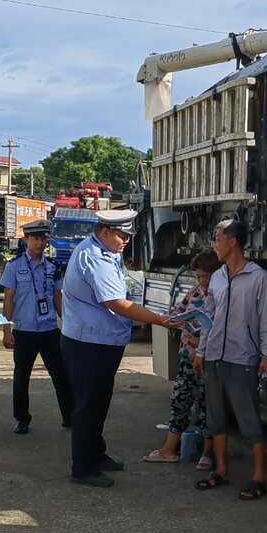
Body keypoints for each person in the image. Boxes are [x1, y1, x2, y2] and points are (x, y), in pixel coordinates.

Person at [61, 209, 180, 488]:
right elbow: (115, 303)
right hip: (88, 344)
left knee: (99, 403)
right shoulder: (95, 257)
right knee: (88, 406)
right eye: (121, 235)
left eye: (128, 235)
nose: (126, 240)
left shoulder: (106, 251)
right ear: (104, 233)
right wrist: (160, 319)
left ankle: (96, 453)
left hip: (101, 341)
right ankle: (83, 467)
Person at [193, 219, 267, 500]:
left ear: (233, 242)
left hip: (243, 357)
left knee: (247, 414)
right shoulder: (217, 277)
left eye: (218, 239)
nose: (214, 244)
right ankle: (221, 470)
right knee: (216, 415)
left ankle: (259, 476)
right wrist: (202, 350)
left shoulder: (258, 278)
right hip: (215, 355)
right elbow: (208, 318)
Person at [142, 251, 218, 469]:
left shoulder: (220, 293)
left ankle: (207, 453)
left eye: (205, 276)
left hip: (209, 359)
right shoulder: (196, 290)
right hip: (188, 356)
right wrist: (176, 320)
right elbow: (179, 310)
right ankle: (169, 450)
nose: (202, 281)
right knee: (180, 399)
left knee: (207, 406)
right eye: (198, 276)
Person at [1, 219, 74, 435]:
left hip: (49, 329)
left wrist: (67, 324)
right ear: (25, 240)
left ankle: (69, 416)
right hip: (24, 331)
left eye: (44, 238)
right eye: (35, 239)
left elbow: (57, 297)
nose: (40, 243)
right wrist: (6, 330)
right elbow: (8, 300)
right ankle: (21, 418)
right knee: (21, 377)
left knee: (61, 375)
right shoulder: (14, 266)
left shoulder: (53, 266)